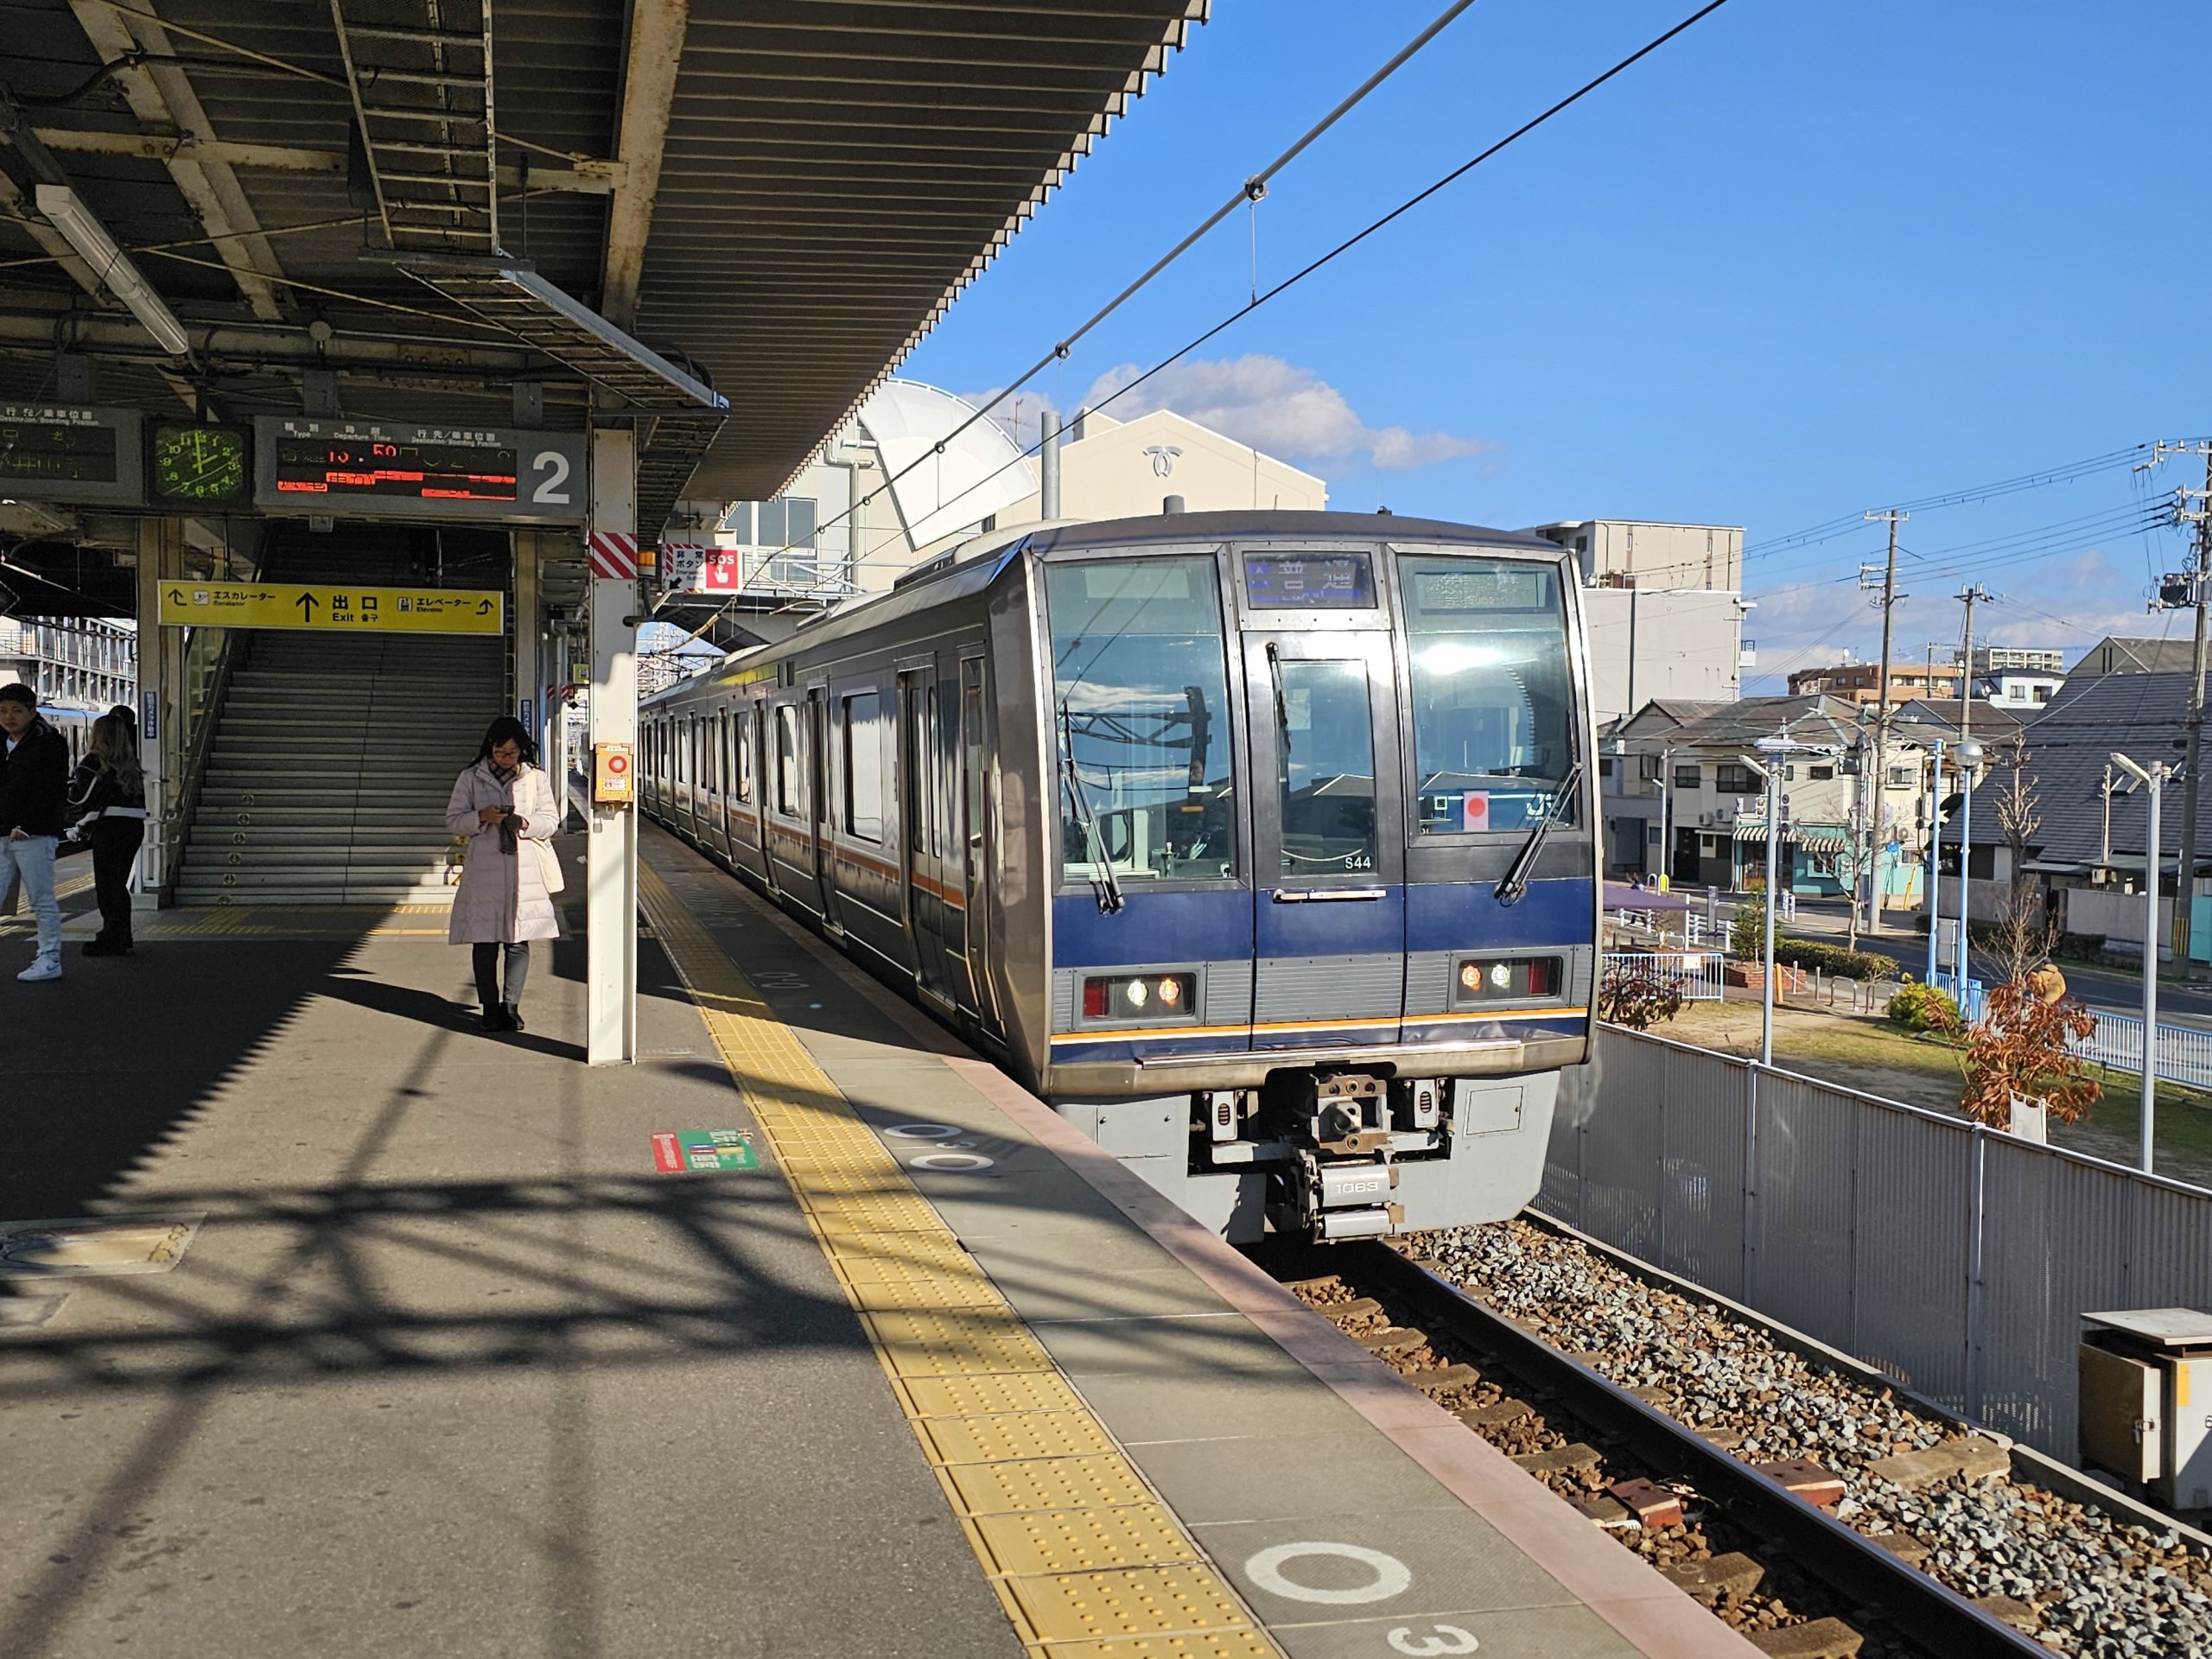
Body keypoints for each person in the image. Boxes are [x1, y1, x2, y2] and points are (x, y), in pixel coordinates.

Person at [446, 715, 561, 1032]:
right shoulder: (470, 777)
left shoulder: (536, 778)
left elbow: (551, 821)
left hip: (525, 872)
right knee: (484, 944)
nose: (506, 758)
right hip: (484, 873)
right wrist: (481, 817)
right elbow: (453, 821)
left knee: (518, 942)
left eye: (512, 752)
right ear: (490, 748)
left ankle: (511, 1007)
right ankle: (489, 1008)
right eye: (500, 752)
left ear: (522, 749)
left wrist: (524, 822)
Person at [64, 707, 149, 957]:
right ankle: (122, 935)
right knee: (118, 884)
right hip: (133, 826)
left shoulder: (93, 763)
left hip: (110, 828)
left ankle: (112, 937)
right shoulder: (131, 765)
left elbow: (80, 799)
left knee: (107, 886)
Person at [0, 683, 68, 981]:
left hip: (35, 834)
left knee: (41, 899)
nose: (9, 717)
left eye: (16, 710)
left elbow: (50, 789)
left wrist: (25, 824)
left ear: (32, 711)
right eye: (3, 711)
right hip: (2, 832)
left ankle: (50, 959)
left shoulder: (49, 743)